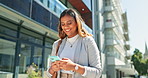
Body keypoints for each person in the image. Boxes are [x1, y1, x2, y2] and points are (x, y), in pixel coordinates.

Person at [47, 8, 102, 78]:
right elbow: (49, 73)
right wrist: (52, 69)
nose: (66, 26)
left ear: (76, 23)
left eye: (69, 23)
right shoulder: (57, 44)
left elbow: (97, 72)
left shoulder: (88, 41)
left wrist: (74, 67)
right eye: (63, 24)